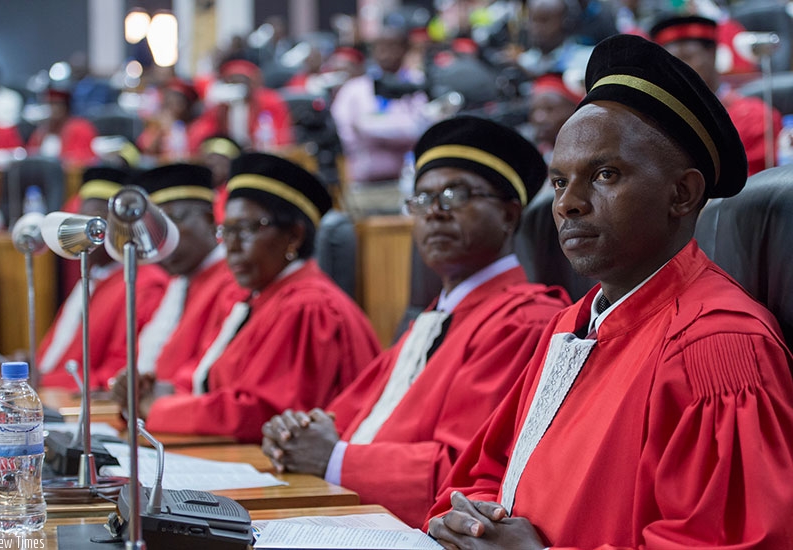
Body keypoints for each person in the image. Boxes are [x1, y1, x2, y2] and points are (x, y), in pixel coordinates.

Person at [427, 33, 793, 548]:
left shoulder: (719, 349)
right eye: (558, 182)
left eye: (604, 174)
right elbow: (488, 470)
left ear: (682, 193)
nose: (569, 204)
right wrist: (468, 520)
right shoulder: (572, 323)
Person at [260, 116, 570, 527]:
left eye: (455, 195)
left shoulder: (525, 321)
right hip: (355, 513)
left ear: (509, 214)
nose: (435, 213)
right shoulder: (431, 317)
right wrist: (295, 434)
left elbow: (465, 476)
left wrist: (333, 458)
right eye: (422, 200)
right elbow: (343, 420)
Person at [118, 153, 381, 441]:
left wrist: (158, 409)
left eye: (245, 230)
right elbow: (213, 383)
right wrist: (156, 393)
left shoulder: (307, 306)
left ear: (293, 236)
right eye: (227, 231)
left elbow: (260, 415)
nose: (231, 246)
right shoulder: (260, 299)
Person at [110, 163, 239, 393]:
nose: (162, 239)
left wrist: (157, 394)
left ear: (210, 220)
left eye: (171, 223)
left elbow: (210, 372)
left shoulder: (233, 282)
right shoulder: (181, 281)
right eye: (153, 229)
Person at [37, 166, 169, 390]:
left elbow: (116, 374)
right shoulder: (92, 279)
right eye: (79, 219)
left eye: (94, 222)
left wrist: (45, 381)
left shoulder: (143, 285)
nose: (83, 232)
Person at [650, 14, 782, 176]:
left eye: (687, 58)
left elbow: (755, 192)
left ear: (712, 53)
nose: (679, 71)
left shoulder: (755, 117)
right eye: (671, 64)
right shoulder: (656, 124)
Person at [330, 26, 430, 185]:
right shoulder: (355, 89)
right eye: (380, 47)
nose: (385, 53)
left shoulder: (418, 83)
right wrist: (396, 129)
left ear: (405, 49)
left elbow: (418, 128)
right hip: (364, 178)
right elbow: (345, 132)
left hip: (409, 178)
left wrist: (370, 127)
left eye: (392, 46)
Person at [193, 59, 295, 153]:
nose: (237, 86)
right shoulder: (221, 106)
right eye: (232, 82)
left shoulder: (269, 101)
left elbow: (280, 134)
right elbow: (201, 133)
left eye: (242, 82)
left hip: (260, 151)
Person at [26, 88, 98, 167]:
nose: (53, 109)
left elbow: (85, 158)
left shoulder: (81, 127)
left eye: (56, 104)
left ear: (66, 107)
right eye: (50, 104)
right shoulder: (41, 132)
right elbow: (30, 156)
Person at [526, 72, 582, 163]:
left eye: (550, 109)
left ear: (574, 109)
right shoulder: (536, 157)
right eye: (533, 110)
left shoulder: (585, 153)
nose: (539, 118)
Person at [197, 135, 243, 223]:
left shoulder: (235, 193)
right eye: (208, 161)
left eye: (218, 162)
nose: (211, 164)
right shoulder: (200, 193)